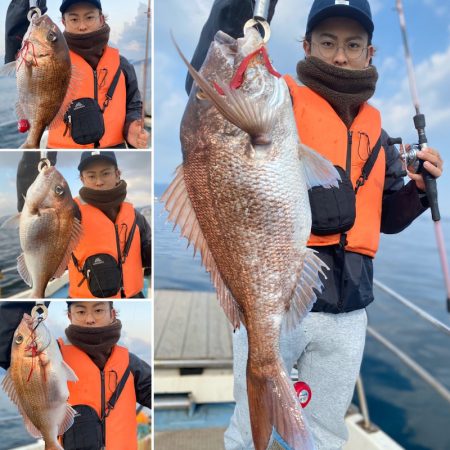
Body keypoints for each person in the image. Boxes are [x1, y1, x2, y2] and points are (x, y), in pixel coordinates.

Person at [187, 1, 444, 449]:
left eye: (352, 44)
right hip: (278, 298)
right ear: (306, 46)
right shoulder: (278, 99)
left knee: (325, 432)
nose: (340, 55)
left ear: (370, 53)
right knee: (249, 432)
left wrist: (418, 192)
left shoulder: (379, 137)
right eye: (327, 43)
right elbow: (209, 97)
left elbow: (386, 219)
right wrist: (235, 12)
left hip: (350, 309)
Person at [0, 300, 152, 450]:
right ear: (70, 316)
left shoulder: (130, 363)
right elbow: (4, 339)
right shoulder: (56, 353)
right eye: (81, 311)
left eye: (98, 310)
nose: (90, 319)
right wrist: (35, 303)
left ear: (112, 314)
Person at [5, 0, 149, 149]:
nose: (82, 26)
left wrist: (131, 127)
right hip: (61, 150)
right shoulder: (34, 54)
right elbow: (17, 32)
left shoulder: (122, 64)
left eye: (89, 17)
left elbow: (134, 104)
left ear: (101, 19)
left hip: (115, 148)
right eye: (74, 19)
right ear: (64, 22)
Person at [68, 151, 151, 298]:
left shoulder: (135, 216)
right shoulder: (69, 214)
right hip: (88, 300)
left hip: (133, 296)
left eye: (105, 174)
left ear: (117, 174)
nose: (99, 181)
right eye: (91, 176)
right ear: (82, 179)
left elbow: (148, 256)